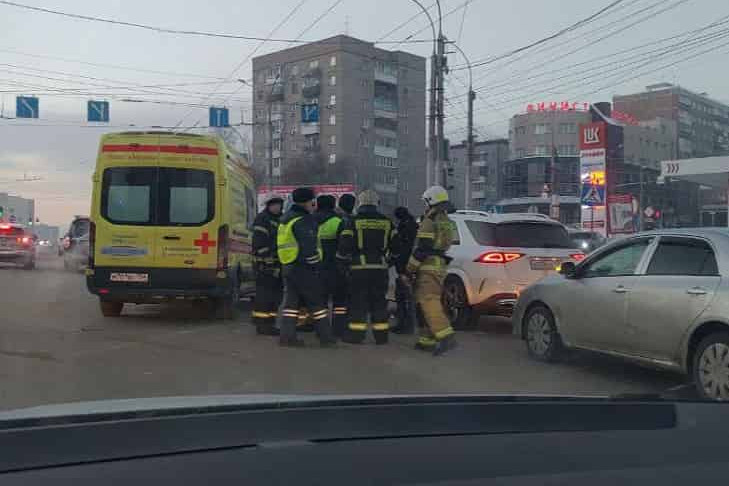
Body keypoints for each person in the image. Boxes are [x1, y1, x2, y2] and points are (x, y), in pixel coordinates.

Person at [276, 187, 335, 348]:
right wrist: (317, 265)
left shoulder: (286, 218)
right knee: (317, 304)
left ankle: (287, 337)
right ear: (308, 201)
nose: (313, 204)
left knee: (291, 305)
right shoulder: (304, 220)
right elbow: (308, 247)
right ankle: (326, 338)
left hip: (288, 265)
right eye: (312, 201)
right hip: (304, 267)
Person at [406, 185, 457, 356]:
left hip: (428, 266)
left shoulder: (429, 221)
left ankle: (446, 336)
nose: (425, 206)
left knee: (429, 301)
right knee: (425, 303)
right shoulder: (446, 220)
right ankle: (426, 340)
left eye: (426, 203)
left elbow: (422, 248)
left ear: (431, 201)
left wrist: (410, 269)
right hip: (440, 265)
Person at [343, 189, 399, 345]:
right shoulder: (387, 222)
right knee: (379, 302)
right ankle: (381, 337)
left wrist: (344, 263)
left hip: (358, 269)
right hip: (380, 268)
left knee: (358, 302)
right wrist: (389, 261)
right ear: (377, 203)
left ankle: (356, 336)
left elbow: (345, 245)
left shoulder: (352, 221)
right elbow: (397, 247)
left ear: (359, 203)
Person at [315, 195, 353, 338]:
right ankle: (339, 330)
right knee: (339, 302)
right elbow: (345, 245)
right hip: (336, 267)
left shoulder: (310, 220)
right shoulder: (339, 222)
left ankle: (321, 330)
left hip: (316, 267)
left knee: (320, 302)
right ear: (333, 205)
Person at [251, 194, 284, 336]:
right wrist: (266, 258)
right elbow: (259, 242)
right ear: (269, 205)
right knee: (264, 296)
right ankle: (262, 325)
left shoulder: (279, 219)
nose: (278, 207)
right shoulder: (262, 219)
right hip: (264, 264)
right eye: (275, 205)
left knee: (274, 296)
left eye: (280, 205)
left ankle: (269, 323)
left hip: (276, 263)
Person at [390, 206, 419, 334]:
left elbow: (400, 249)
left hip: (406, 267)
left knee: (404, 297)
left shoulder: (405, 227)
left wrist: (391, 261)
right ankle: (407, 325)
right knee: (407, 297)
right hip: (411, 266)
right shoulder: (413, 225)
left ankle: (405, 326)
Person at [332, 194, 356, 336]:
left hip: (332, 262)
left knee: (338, 298)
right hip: (342, 263)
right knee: (343, 298)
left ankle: (335, 327)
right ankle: (341, 327)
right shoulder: (347, 220)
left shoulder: (335, 217)